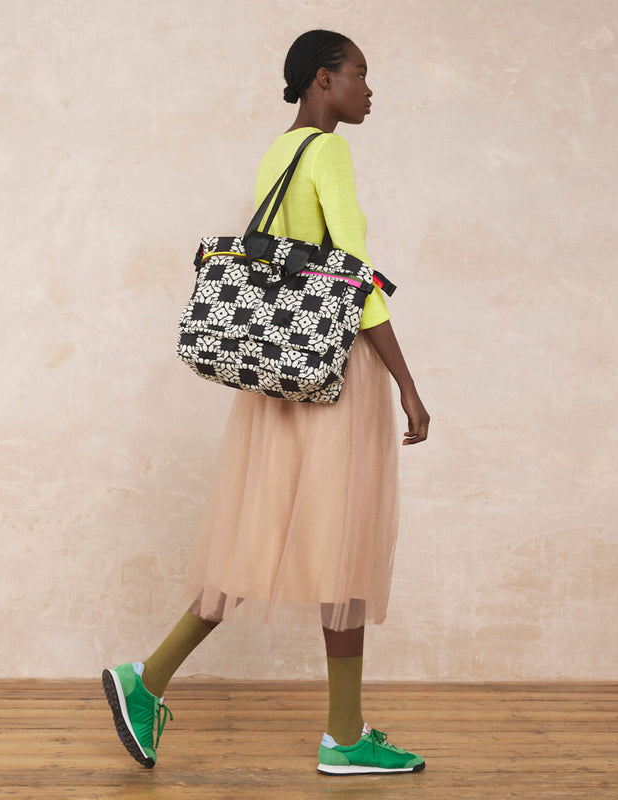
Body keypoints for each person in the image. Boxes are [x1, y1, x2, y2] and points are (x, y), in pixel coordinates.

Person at [102, 29, 430, 776]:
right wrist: (409, 385)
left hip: (275, 379)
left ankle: (148, 680)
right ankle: (342, 738)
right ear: (324, 80)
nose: (369, 90)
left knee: (257, 536)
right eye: (360, 74)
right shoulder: (332, 154)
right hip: (330, 375)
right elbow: (358, 281)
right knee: (343, 543)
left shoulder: (276, 152)